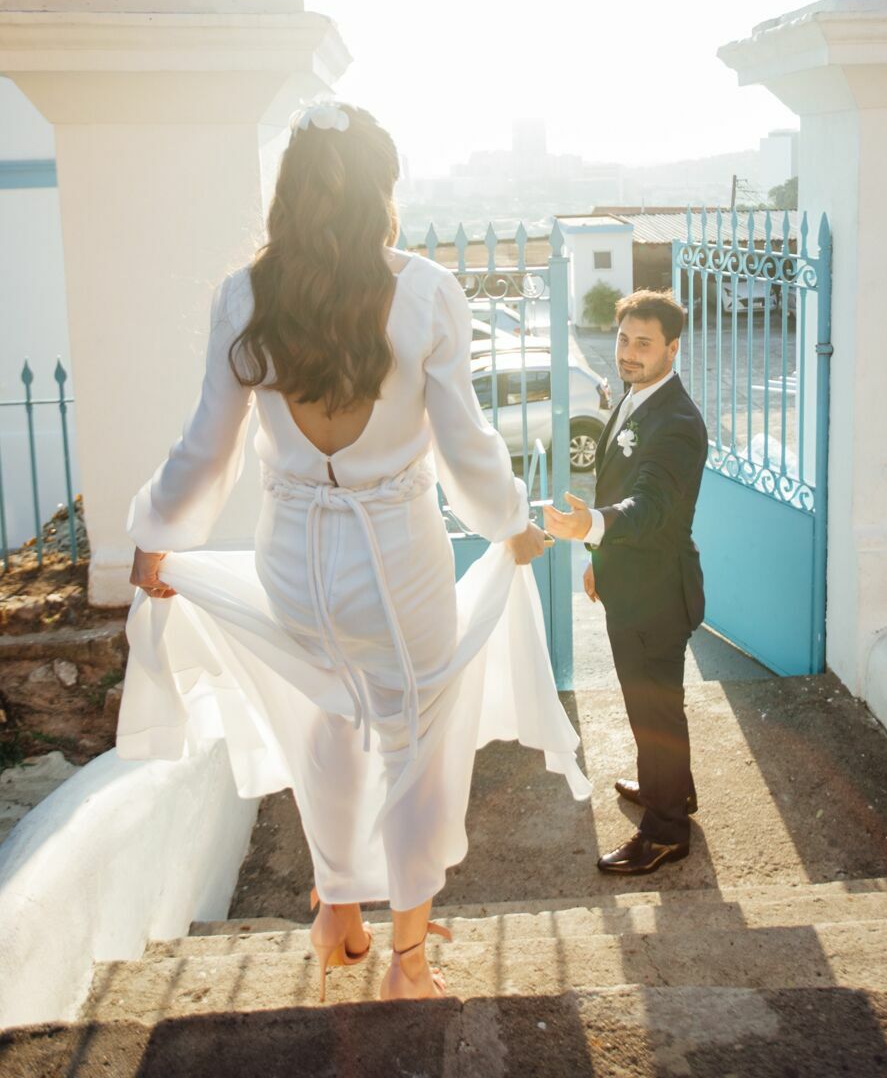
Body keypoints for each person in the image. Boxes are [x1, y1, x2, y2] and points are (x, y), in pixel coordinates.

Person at [120, 100, 589, 1003]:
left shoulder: (244, 295)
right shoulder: (421, 290)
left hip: (291, 562)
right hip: (397, 564)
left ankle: (337, 910)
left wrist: (154, 536)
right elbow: (469, 447)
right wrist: (509, 522)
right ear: (382, 188)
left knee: (327, 721)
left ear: (288, 192)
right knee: (413, 740)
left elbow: (202, 449)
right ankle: (407, 964)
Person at [546, 290, 707, 876]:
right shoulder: (637, 397)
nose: (630, 354)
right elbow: (621, 489)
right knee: (653, 706)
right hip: (631, 579)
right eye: (623, 340)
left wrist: (590, 526)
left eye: (644, 343)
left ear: (672, 348)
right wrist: (600, 555)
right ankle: (674, 791)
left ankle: (666, 832)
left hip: (657, 593)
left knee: (654, 709)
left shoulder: (679, 422)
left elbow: (652, 506)